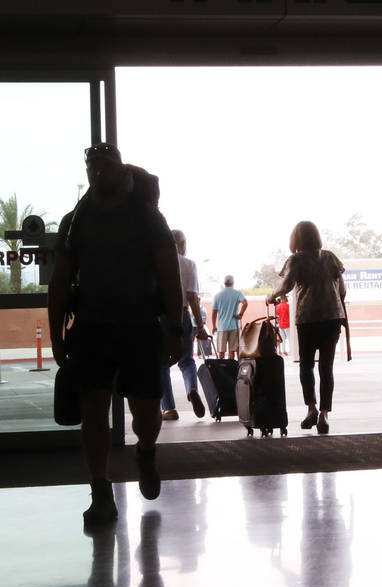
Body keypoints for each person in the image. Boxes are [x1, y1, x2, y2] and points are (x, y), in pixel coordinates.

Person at [48, 143, 183, 524]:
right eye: (92, 166)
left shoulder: (147, 217)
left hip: (140, 327)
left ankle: (146, 451)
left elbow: (170, 275)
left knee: (145, 413)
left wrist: (175, 328)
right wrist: (58, 335)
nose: (97, 172)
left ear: (121, 171)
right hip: (91, 328)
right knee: (94, 411)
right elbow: (59, 282)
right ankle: (100, 490)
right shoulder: (75, 221)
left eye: (105, 165)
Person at [267, 221, 347, 435]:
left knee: (306, 365)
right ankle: (324, 414)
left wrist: (271, 297)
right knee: (326, 367)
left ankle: (311, 408)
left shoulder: (296, 260)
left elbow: (287, 286)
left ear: (296, 240)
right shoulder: (330, 257)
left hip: (308, 318)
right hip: (332, 317)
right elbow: (342, 289)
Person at [160, 229, 210, 421]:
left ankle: (169, 409)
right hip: (183, 315)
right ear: (181, 244)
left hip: (163, 317)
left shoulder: (159, 264)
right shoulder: (189, 264)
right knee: (187, 361)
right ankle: (191, 390)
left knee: (163, 363)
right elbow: (192, 298)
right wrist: (201, 325)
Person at [210, 275, 246, 359]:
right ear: (233, 283)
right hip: (234, 326)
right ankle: (231, 370)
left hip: (222, 327)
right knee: (232, 352)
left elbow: (214, 313)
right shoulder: (238, 293)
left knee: (221, 352)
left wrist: (214, 326)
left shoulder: (217, 295)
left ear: (224, 283)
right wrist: (240, 314)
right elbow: (245, 303)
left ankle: (221, 370)